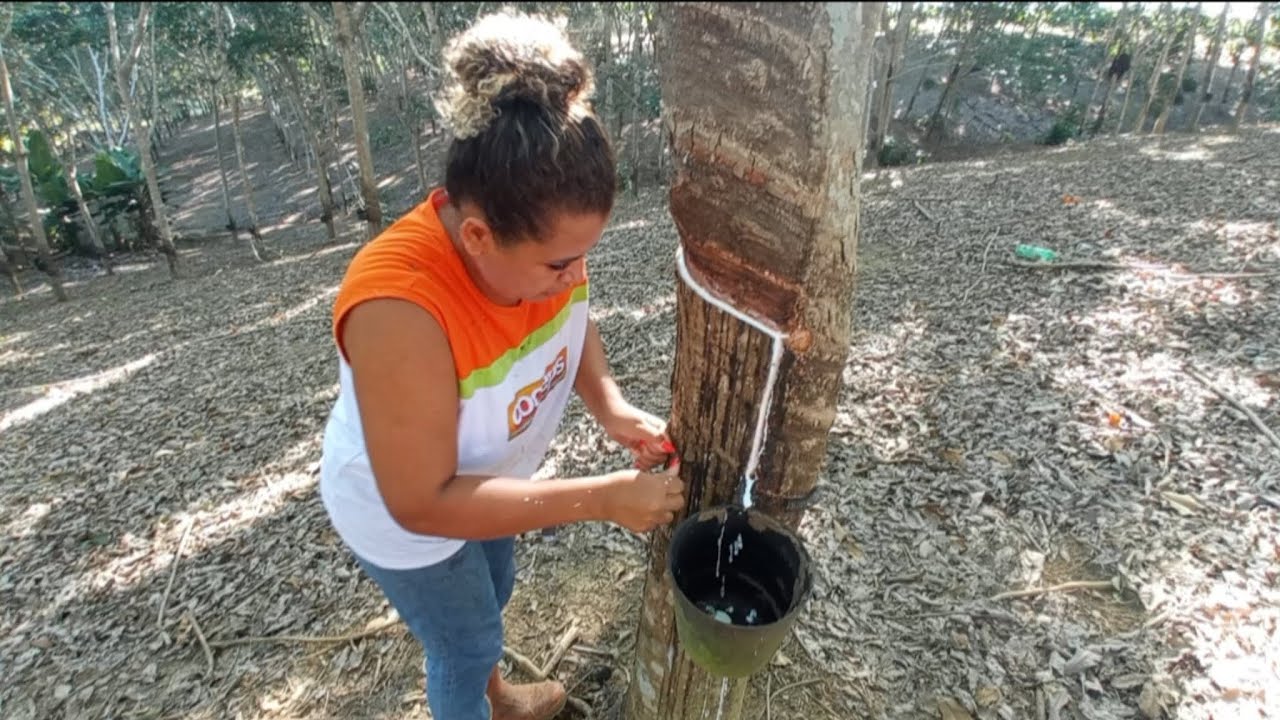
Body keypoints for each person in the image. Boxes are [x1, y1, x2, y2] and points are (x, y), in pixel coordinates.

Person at [317, 10, 685, 720]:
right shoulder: (399, 309)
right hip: (404, 517)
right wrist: (601, 499)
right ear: (479, 235)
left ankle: (500, 700)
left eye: (586, 256)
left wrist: (606, 402)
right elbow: (422, 501)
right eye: (559, 262)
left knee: (494, 592)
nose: (576, 275)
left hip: (484, 484)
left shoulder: (541, 256)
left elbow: (571, 317)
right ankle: (479, 695)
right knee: (461, 644)